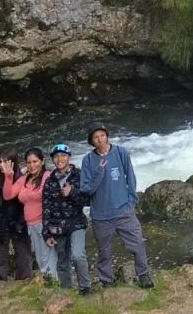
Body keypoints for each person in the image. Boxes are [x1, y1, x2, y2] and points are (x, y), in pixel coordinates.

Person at [80, 124, 154, 289]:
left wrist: (131, 202)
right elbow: (86, 188)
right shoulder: (88, 160)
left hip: (123, 210)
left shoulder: (121, 152)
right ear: (91, 141)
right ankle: (107, 280)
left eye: (102, 135)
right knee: (104, 251)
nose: (100, 139)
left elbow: (131, 178)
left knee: (138, 244)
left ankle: (143, 275)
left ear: (107, 136)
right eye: (96, 137)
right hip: (100, 215)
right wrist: (99, 172)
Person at [41, 143, 91, 294]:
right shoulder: (50, 181)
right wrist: (46, 233)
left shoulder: (79, 175)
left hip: (76, 222)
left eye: (63, 155)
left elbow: (87, 201)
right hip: (57, 225)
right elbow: (46, 208)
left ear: (69, 157)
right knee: (62, 260)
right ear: (53, 160)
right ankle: (66, 291)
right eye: (56, 156)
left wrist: (73, 192)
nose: (59, 159)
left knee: (78, 255)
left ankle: (85, 288)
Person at [5, 147, 54, 283]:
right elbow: (8, 195)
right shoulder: (25, 179)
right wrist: (8, 177)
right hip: (31, 225)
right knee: (40, 258)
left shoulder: (47, 176)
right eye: (29, 162)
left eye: (35, 161)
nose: (32, 165)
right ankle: (50, 286)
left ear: (42, 161)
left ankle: (55, 287)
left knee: (49, 258)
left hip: (45, 223)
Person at [0, 149, 34, 281]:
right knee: (0, 258)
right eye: (0, 162)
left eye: (6, 162)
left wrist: (21, 222)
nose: (2, 165)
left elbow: (26, 204)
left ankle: (24, 281)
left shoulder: (22, 178)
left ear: (13, 162)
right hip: (0, 223)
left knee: (23, 255)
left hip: (18, 222)